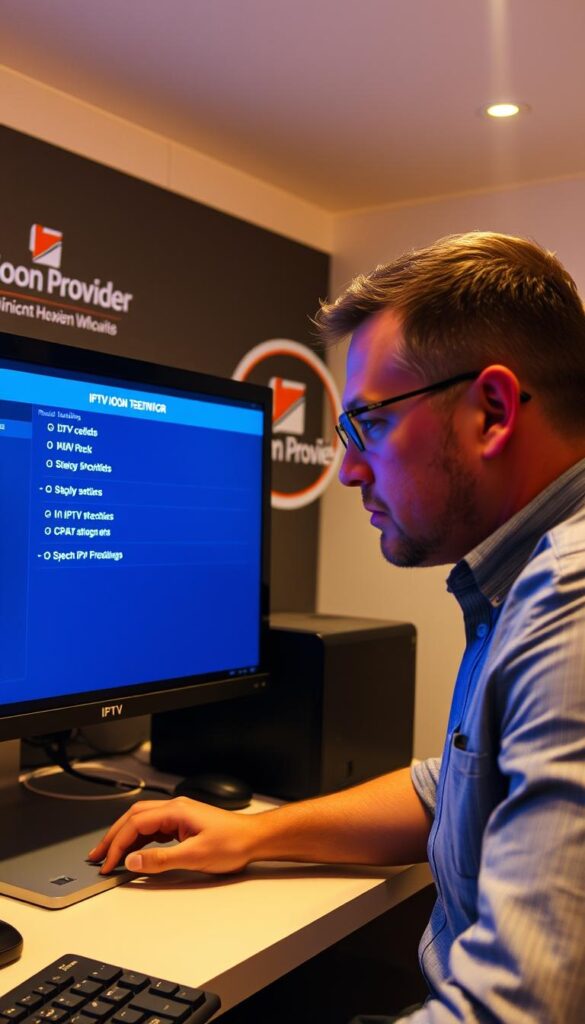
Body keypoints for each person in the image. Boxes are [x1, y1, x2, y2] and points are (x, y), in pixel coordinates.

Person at [89, 232, 585, 1022]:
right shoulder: (526, 581)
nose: (349, 469)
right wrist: (251, 835)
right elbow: (450, 785)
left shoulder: (567, 607)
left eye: (367, 425)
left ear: (490, 411)